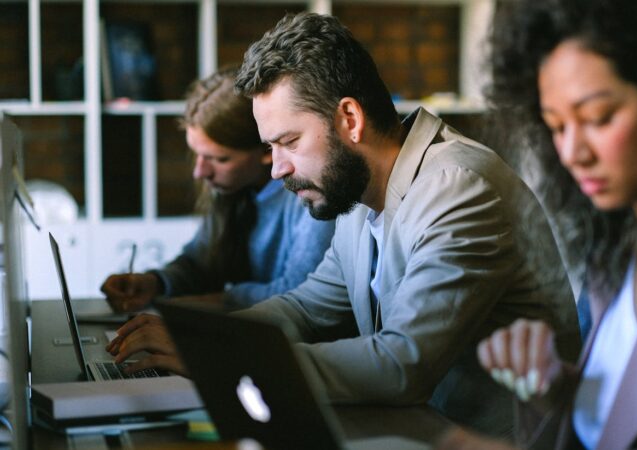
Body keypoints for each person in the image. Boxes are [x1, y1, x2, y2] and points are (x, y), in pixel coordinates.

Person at [106, 13, 580, 434]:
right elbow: (307, 308)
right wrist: (206, 340)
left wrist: (217, 359)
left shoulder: (457, 188)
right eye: (271, 148)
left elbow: (401, 364)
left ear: (349, 119)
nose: (276, 169)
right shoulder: (360, 193)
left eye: (289, 141)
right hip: (416, 428)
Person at [438, 0, 637, 448]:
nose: (572, 153)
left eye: (598, 118)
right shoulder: (616, 253)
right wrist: (555, 388)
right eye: (557, 127)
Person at [100, 67, 335, 312]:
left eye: (219, 159)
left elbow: (298, 292)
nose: (200, 172)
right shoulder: (233, 189)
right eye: (198, 155)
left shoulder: (310, 196)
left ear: (267, 148)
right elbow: (200, 263)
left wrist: (221, 300)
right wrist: (153, 283)